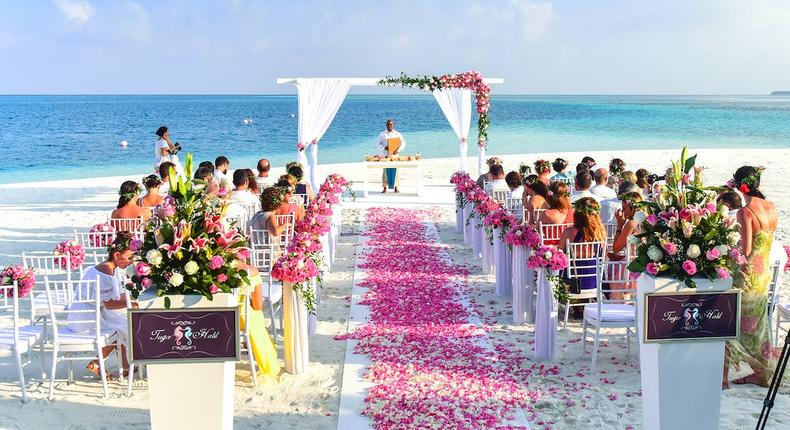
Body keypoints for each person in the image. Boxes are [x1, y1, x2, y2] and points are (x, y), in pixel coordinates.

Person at [725, 166, 780, 388]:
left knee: (732, 323)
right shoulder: (772, 207)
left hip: (746, 277)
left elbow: (744, 252)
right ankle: (762, 373)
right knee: (759, 326)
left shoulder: (745, 212)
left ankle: (723, 379)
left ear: (739, 185)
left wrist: (725, 249)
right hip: (763, 274)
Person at [70, 232, 136, 379]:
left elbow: (115, 296)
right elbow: (110, 304)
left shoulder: (112, 267)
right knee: (122, 326)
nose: (131, 261)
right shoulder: (106, 272)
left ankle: (125, 366)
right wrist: (132, 301)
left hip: (95, 310)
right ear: (117, 255)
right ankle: (97, 362)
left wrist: (132, 297)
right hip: (86, 317)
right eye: (129, 257)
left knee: (124, 322)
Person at [559, 197, 607, 292]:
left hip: (572, 284)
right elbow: (604, 258)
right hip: (594, 282)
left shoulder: (569, 232)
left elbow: (560, 256)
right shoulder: (601, 233)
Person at [607, 191, 643, 300]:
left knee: (613, 266)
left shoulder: (631, 223)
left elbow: (616, 248)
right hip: (642, 264)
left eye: (624, 208)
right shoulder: (644, 219)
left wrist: (619, 225)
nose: (622, 211)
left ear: (632, 208)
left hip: (631, 265)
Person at [377, 119, 406, 193]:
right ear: (386, 125)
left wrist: (398, 150)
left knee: (396, 171)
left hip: (395, 155)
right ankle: (384, 188)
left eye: (391, 124)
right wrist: (384, 147)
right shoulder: (382, 134)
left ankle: (396, 188)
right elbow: (377, 144)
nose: (390, 126)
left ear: (393, 125)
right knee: (385, 172)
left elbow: (403, 143)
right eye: (388, 124)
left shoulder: (397, 134)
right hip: (386, 155)